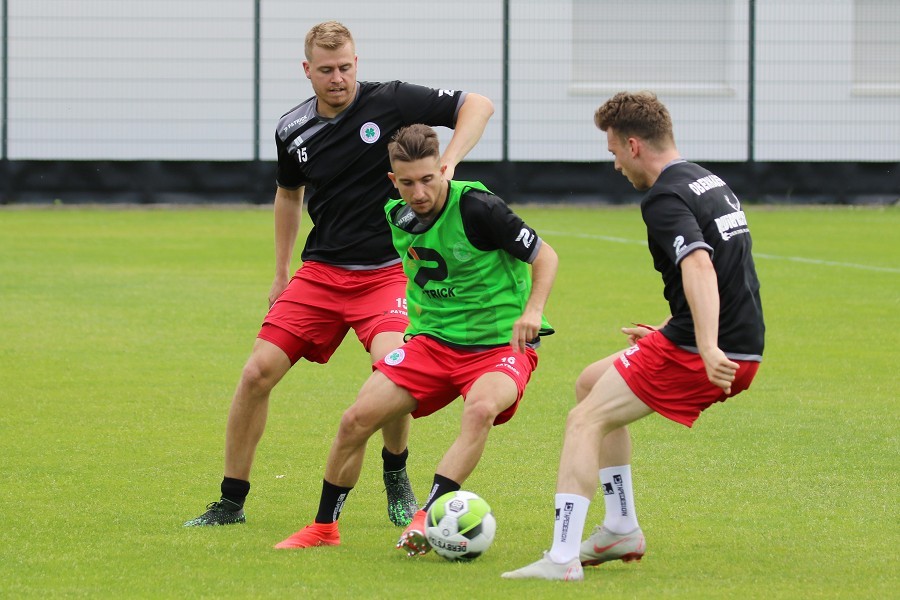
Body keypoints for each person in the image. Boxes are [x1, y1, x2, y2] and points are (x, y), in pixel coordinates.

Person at [184, 22, 494, 529]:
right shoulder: (293, 129)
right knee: (255, 373)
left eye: (346, 67)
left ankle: (396, 473)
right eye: (326, 70)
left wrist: (450, 164)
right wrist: (281, 272)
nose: (338, 78)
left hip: (389, 273)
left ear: (357, 63)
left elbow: (477, 104)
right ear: (307, 70)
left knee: (393, 368)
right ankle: (231, 501)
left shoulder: (391, 101)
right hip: (322, 272)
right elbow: (289, 195)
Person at [502, 91, 765, 581]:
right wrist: (672, 328)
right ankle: (620, 526)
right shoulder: (708, 180)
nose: (616, 164)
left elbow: (701, 265)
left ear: (634, 144)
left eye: (614, 152)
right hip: (723, 340)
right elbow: (735, 274)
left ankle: (561, 561)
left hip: (707, 351)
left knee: (584, 420)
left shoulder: (665, 195)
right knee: (589, 382)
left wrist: (705, 344)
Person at [271, 123, 558, 550]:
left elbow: (545, 255)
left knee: (480, 410)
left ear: (443, 169)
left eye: (427, 179)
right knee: (354, 421)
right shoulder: (397, 215)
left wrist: (533, 311)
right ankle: (323, 529)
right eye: (407, 183)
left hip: (499, 345)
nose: (419, 192)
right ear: (393, 181)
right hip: (432, 343)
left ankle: (427, 516)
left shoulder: (480, 208)